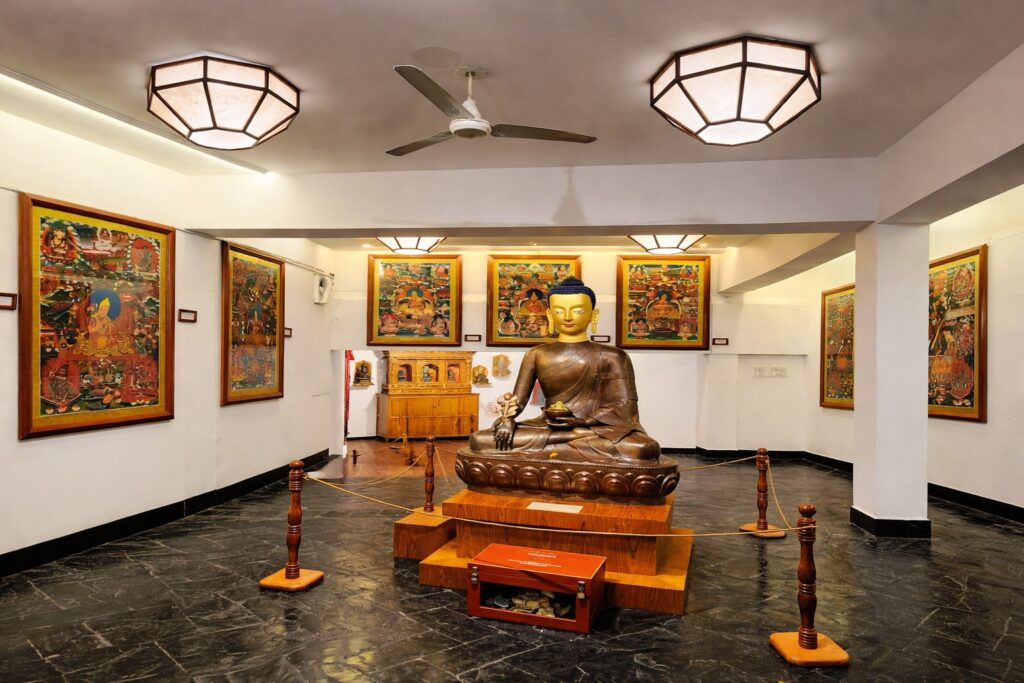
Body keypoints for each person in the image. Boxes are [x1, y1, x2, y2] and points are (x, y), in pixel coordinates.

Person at [468, 277, 659, 462]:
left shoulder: (614, 356)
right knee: (480, 440)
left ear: (594, 315)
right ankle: (568, 444)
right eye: (559, 311)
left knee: (642, 448)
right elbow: (519, 401)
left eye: (576, 311)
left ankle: (567, 443)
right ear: (550, 315)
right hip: (548, 426)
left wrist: (584, 423)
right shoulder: (537, 354)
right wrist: (507, 419)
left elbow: (625, 406)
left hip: (593, 429)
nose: (567, 317)